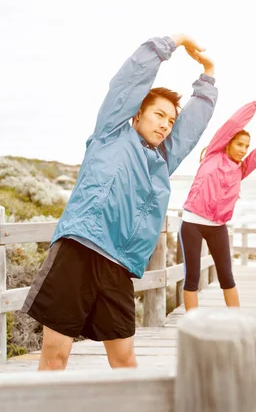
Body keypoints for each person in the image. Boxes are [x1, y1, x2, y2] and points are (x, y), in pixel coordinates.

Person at [21, 34, 218, 370]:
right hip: (79, 250)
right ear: (137, 113)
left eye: (170, 121)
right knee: (56, 355)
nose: (166, 125)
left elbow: (191, 129)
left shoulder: (162, 161)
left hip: (118, 266)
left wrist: (208, 78)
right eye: (159, 115)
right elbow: (130, 80)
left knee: (125, 360)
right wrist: (171, 43)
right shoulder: (110, 132)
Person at [179, 96, 256, 311]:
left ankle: (236, 322)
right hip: (192, 223)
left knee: (226, 277)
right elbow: (233, 124)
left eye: (246, 147)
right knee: (192, 277)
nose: (243, 150)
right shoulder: (212, 154)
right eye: (239, 144)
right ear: (228, 142)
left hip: (217, 227)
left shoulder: (242, 169)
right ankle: (193, 325)